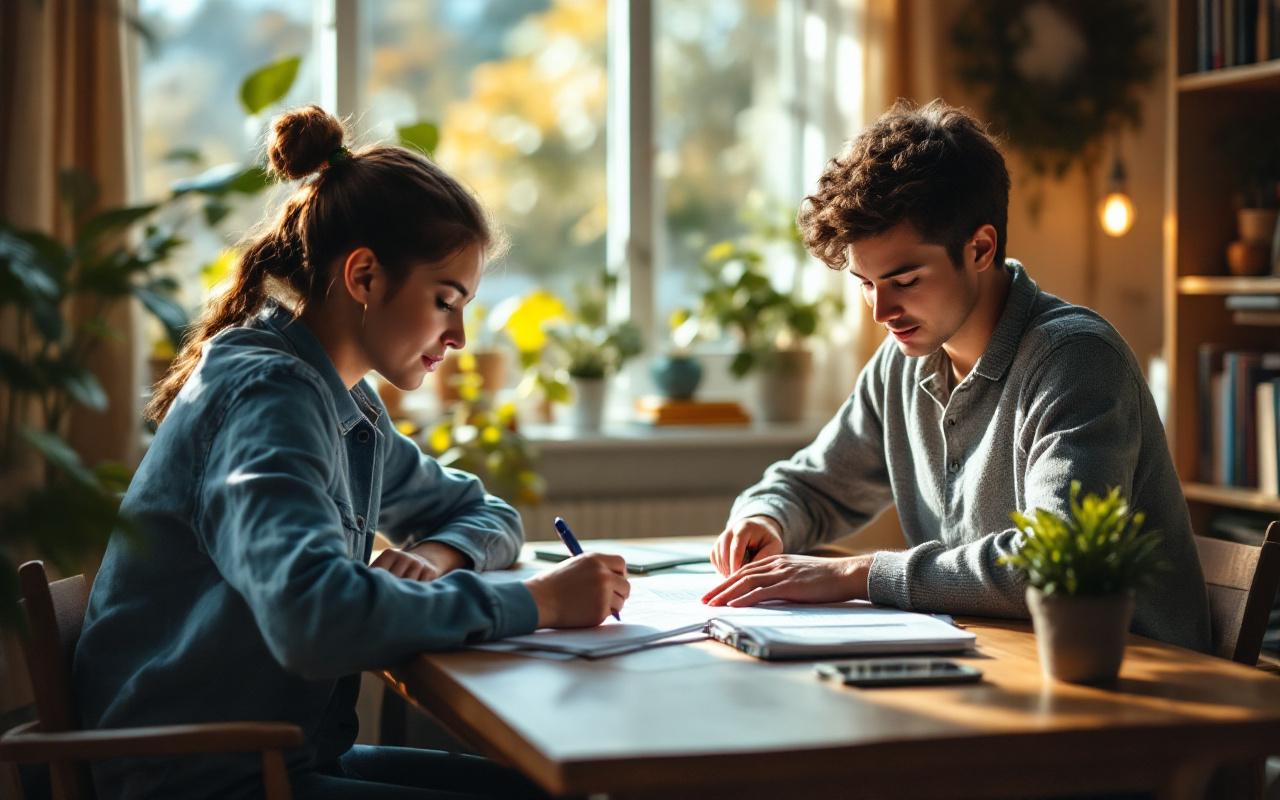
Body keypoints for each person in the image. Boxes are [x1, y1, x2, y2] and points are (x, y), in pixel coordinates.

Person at [73, 105, 630, 800]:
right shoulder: (271, 400)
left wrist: (437, 555)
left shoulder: (341, 400)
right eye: (445, 300)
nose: (459, 336)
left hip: (281, 761)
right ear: (364, 277)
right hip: (201, 779)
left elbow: (484, 511)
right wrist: (536, 604)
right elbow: (314, 619)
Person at [701, 99, 1211, 653]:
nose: (881, 311)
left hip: (1134, 678)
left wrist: (858, 574)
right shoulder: (901, 363)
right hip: (991, 662)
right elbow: (811, 484)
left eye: (905, 281)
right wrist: (766, 518)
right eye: (867, 284)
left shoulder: (1076, 360)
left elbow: (1052, 561)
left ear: (980, 248)